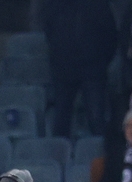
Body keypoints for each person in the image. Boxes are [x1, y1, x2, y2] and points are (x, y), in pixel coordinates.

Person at [40, 0, 117, 138]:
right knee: (61, 121)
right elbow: (49, 30)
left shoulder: (98, 4)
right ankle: (60, 151)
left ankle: (102, 152)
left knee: (96, 121)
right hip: (63, 70)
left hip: (93, 70)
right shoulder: (54, 4)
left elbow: (110, 34)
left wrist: (100, 61)